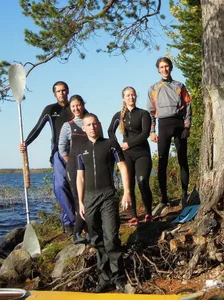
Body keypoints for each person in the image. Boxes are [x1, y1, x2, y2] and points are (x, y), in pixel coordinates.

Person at [76, 113, 131, 293]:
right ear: (83, 128)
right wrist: (81, 202)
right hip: (89, 199)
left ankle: (118, 278)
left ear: (99, 125)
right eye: (88, 125)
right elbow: (80, 177)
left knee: (111, 237)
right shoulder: (80, 148)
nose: (92, 127)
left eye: (95, 124)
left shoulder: (110, 144)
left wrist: (127, 193)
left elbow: (122, 167)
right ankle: (104, 278)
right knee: (97, 239)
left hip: (108, 195)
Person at [19, 81, 76, 234]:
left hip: (75, 151)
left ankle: (70, 221)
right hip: (58, 151)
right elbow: (38, 128)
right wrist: (26, 143)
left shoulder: (75, 107)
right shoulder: (50, 109)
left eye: (64, 90)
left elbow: (89, 124)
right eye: (58, 91)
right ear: (54, 94)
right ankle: (72, 220)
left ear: (68, 91)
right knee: (60, 186)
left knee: (74, 187)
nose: (62, 93)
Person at [147, 57, 192, 211]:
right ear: (158, 69)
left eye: (167, 66)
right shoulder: (153, 88)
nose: (164, 69)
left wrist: (187, 127)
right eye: (161, 67)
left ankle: (185, 194)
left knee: (182, 159)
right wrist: (152, 131)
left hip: (179, 124)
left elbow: (188, 106)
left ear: (170, 67)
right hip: (163, 125)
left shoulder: (179, 86)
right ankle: (164, 198)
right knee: (162, 162)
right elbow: (151, 112)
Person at [108, 86, 153, 226]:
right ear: (123, 98)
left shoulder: (143, 114)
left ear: (136, 97)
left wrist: (128, 143)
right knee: (130, 184)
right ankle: (134, 215)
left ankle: (148, 212)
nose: (131, 97)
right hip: (126, 155)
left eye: (133, 95)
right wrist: (117, 147)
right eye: (128, 95)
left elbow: (145, 134)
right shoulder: (119, 115)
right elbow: (110, 132)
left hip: (142, 153)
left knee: (142, 181)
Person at [58, 95, 89, 244]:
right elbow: (62, 149)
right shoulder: (67, 126)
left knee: (89, 198)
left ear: (83, 105)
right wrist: (71, 163)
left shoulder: (90, 121)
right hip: (74, 168)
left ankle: (89, 230)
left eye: (78, 105)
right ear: (71, 108)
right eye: (73, 106)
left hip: (89, 165)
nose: (76, 108)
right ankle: (77, 233)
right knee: (78, 200)